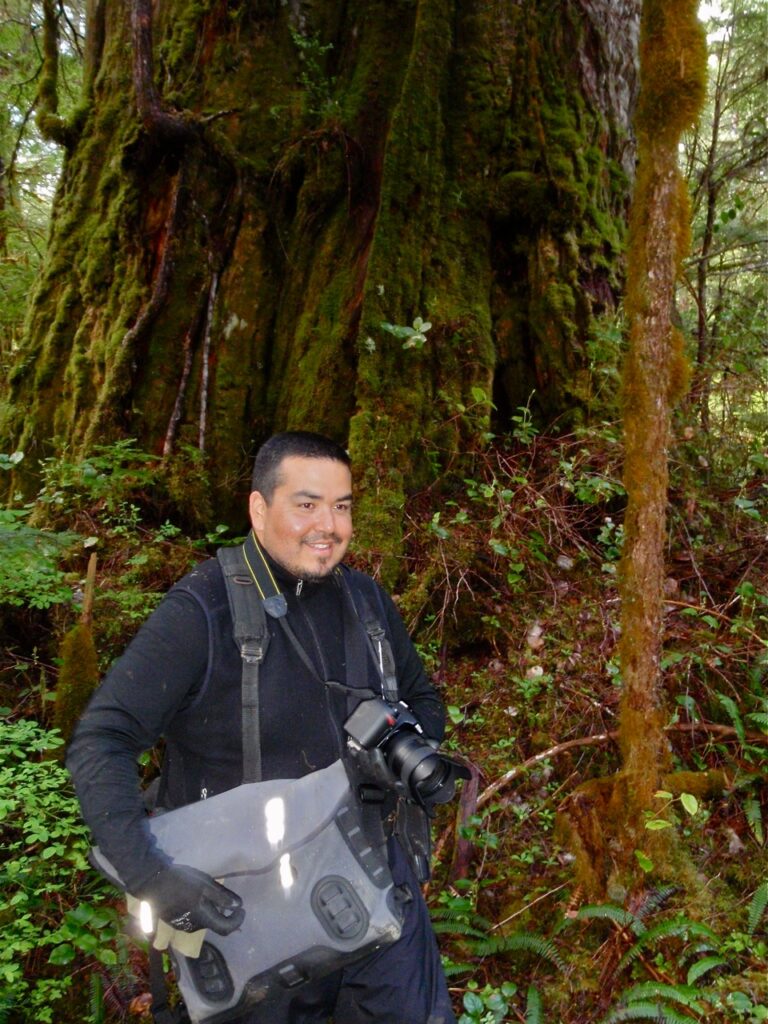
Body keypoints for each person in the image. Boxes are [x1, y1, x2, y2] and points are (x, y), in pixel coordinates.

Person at [67, 431, 457, 1024]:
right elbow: (101, 741)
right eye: (306, 504)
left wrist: (401, 740)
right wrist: (154, 878)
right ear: (258, 508)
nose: (329, 524)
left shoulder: (367, 602)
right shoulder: (205, 611)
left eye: (343, 505)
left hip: (377, 891)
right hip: (252, 919)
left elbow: (425, 699)